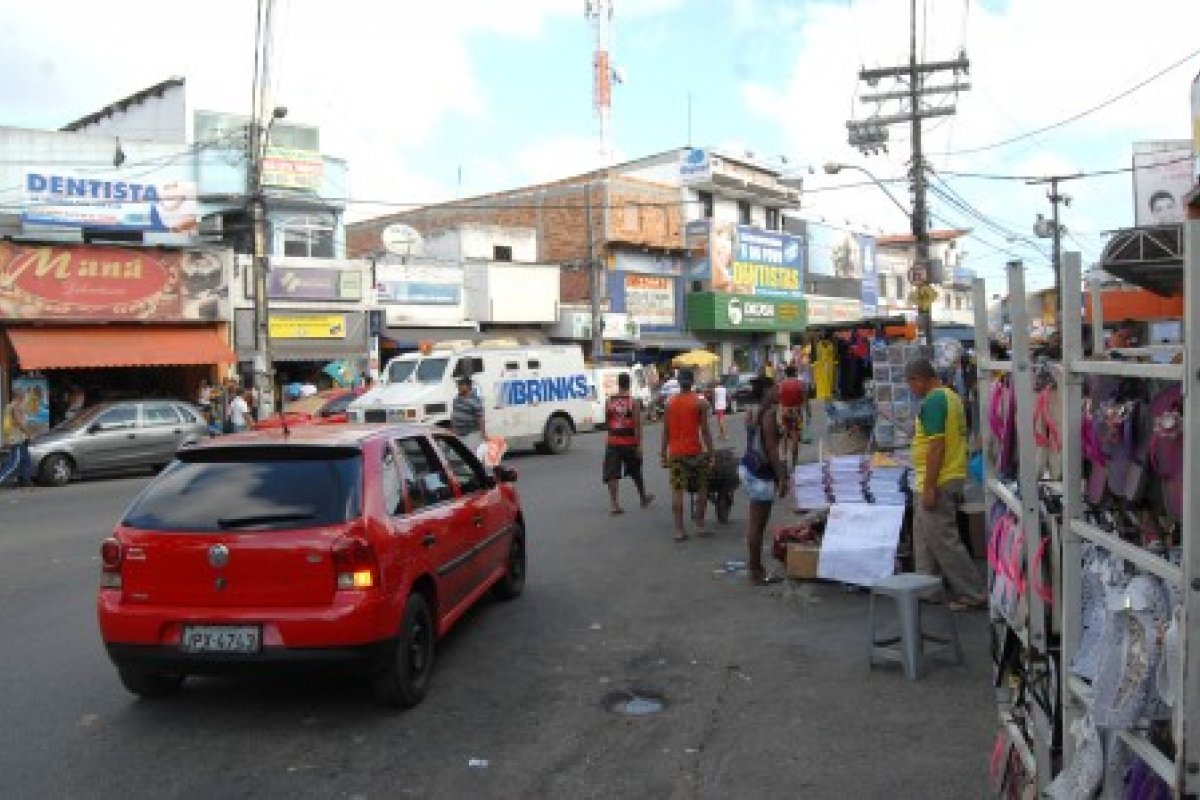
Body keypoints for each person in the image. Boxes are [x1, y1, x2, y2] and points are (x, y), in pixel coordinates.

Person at [904, 358, 987, 611]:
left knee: (943, 540)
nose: (911, 389)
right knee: (925, 538)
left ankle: (974, 593)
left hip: (939, 479)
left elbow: (936, 447)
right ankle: (925, 587)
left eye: (911, 383)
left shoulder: (934, 401)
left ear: (920, 379)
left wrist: (929, 487)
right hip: (941, 476)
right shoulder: (951, 397)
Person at [738, 378, 788, 585]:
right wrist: (781, 477)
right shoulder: (767, 414)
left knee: (755, 524)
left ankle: (756, 568)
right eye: (776, 388)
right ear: (767, 391)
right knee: (758, 526)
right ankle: (755, 571)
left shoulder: (753, 411)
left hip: (749, 467)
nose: (779, 391)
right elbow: (771, 448)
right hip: (761, 473)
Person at [660, 369, 715, 542]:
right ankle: (699, 525)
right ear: (692, 382)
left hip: (676, 453)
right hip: (695, 452)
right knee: (702, 488)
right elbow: (705, 431)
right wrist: (711, 452)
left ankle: (679, 530)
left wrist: (662, 454)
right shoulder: (700, 403)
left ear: (678, 382)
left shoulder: (670, 404)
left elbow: (666, 432)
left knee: (677, 491)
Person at [602, 372, 654, 515]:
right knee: (636, 471)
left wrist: (613, 432)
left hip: (613, 441)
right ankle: (643, 497)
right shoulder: (633, 402)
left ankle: (614, 504)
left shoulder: (609, 401)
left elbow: (607, 421)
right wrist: (640, 445)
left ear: (619, 383)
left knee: (612, 473)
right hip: (629, 442)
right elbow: (637, 425)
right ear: (629, 384)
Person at [3, 387, 34, 488]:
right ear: (19, 396)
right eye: (23, 395)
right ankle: (2, 478)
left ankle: (25, 480)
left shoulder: (13, 405)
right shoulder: (15, 406)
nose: (24, 397)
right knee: (13, 462)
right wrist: (29, 433)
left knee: (25, 459)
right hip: (16, 438)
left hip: (19, 438)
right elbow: (19, 422)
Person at [777, 365, 806, 471]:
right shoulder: (800, 384)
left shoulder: (781, 385)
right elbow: (805, 400)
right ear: (795, 372)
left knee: (784, 436)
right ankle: (794, 463)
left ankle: (784, 460)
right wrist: (808, 413)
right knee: (795, 436)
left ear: (786, 373)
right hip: (796, 413)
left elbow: (778, 400)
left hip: (784, 412)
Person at [451, 376, 486, 452]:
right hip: (458, 434)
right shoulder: (456, 399)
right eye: (458, 385)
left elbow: (480, 418)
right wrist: (453, 429)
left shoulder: (475, 400)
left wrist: (483, 434)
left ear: (468, 386)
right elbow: (454, 414)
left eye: (461, 385)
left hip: (471, 434)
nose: (459, 387)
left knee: (471, 454)